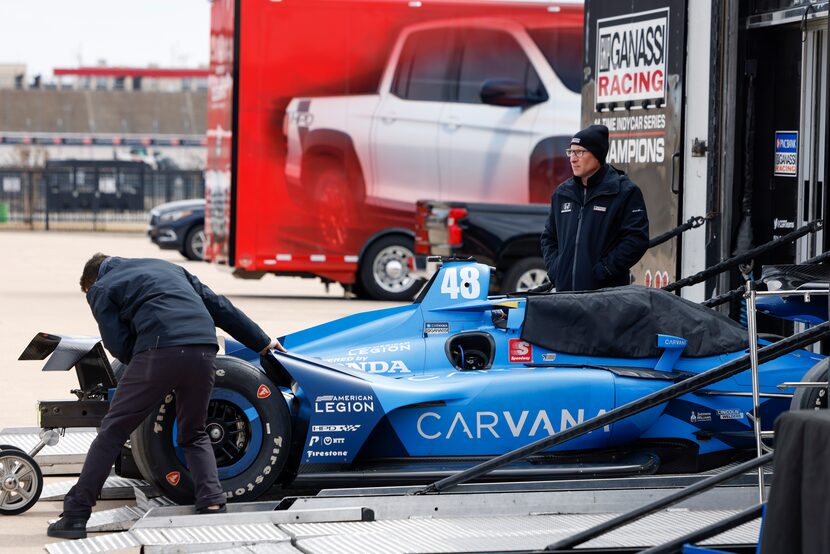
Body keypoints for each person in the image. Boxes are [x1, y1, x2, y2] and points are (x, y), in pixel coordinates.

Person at [47, 254, 286, 539]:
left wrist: (147, 370)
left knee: (112, 432)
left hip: (159, 351)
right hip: (203, 349)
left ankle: (75, 516)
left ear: (91, 281)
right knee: (194, 432)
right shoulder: (169, 268)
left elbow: (117, 343)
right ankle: (211, 502)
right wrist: (262, 342)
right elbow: (220, 307)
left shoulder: (101, 287)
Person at [540, 124, 649, 292]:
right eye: (570, 152)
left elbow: (636, 239)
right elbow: (549, 238)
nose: (572, 158)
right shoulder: (562, 194)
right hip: (565, 296)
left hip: (605, 298)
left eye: (580, 152)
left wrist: (605, 270)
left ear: (597, 155)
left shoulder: (624, 191)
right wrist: (556, 270)